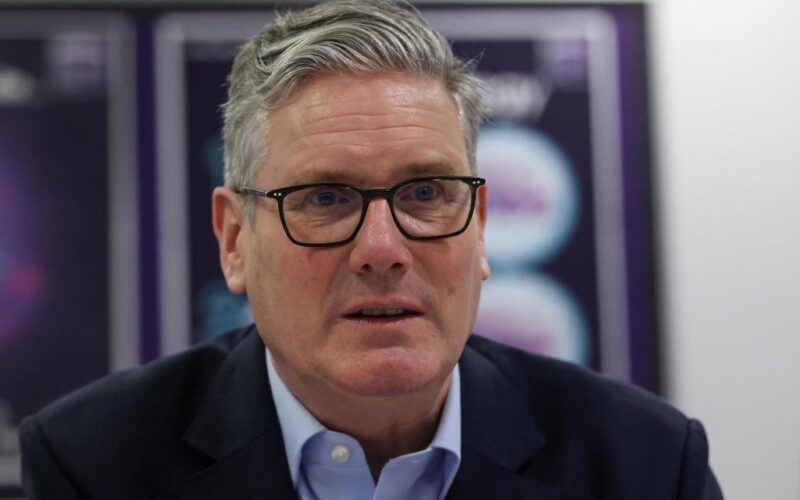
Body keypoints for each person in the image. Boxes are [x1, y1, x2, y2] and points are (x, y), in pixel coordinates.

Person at [20, 1, 723, 498]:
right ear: (235, 240)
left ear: (480, 226)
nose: (383, 250)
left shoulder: (646, 465)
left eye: (426, 193)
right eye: (326, 199)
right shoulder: (95, 463)